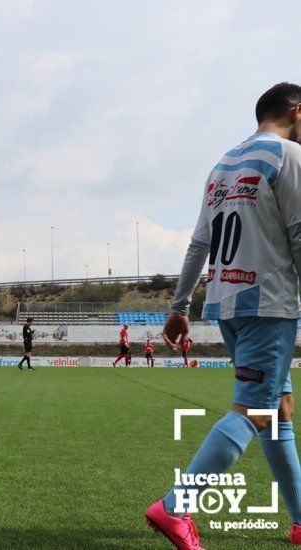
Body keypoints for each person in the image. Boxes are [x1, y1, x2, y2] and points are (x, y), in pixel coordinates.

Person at [145, 82, 301, 549]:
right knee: (255, 409)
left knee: (278, 411)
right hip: (268, 304)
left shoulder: (223, 164)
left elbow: (199, 243)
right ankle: (176, 507)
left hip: (227, 304)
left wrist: (178, 308)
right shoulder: (289, 158)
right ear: (299, 111)